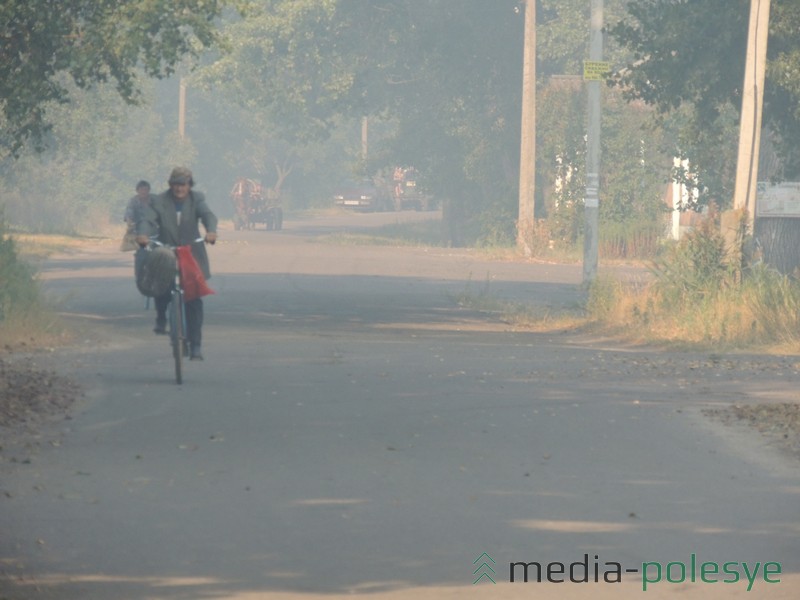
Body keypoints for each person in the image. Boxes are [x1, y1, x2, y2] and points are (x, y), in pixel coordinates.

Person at [136, 167, 218, 361]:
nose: (179, 188)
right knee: (161, 283)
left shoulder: (197, 199)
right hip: (167, 249)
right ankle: (161, 317)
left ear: (190, 185)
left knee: (193, 301)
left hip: (192, 253)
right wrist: (143, 234)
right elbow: (148, 219)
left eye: (183, 184)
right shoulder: (160, 200)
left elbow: (208, 215)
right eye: (176, 184)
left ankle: (195, 344)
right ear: (170, 185)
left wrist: (211, 231)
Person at [121, 180, 155, 251]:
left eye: (145, 189)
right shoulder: (133, 201)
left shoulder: (154, 199)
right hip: (139, 228)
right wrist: (129, 222)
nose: (143, 192)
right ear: (137, 191)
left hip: (154, 226)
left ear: (149, 190)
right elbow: (129, 213)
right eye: (141, 189)